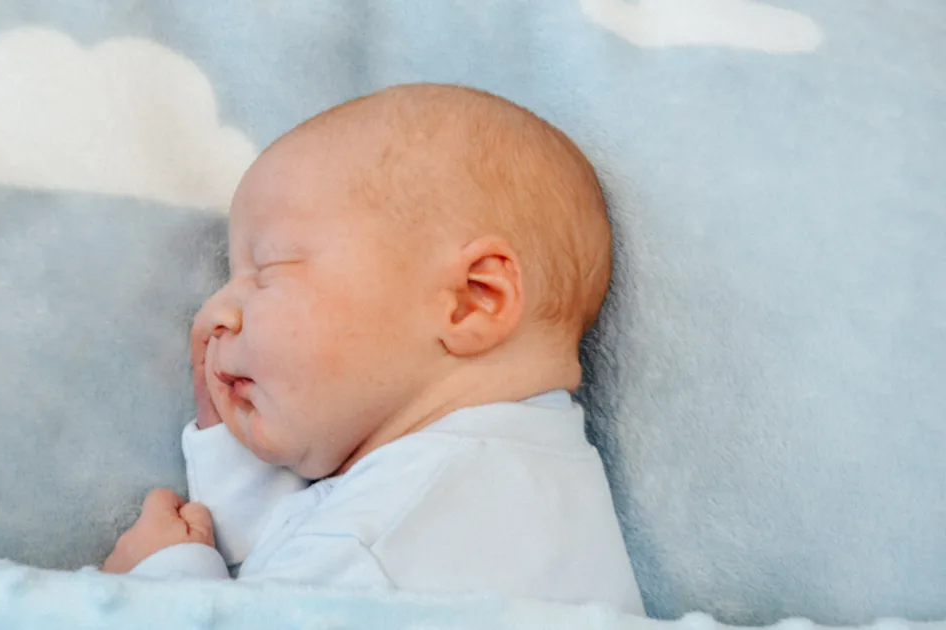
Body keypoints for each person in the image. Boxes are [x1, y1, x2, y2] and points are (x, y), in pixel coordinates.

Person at [101, 83, 644, 614]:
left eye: (267, 268)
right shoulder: (494, 480)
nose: (216, 312)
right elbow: (307, 548)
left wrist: (157, 590)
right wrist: (233, 461)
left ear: (470, 301)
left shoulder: (399, 526)